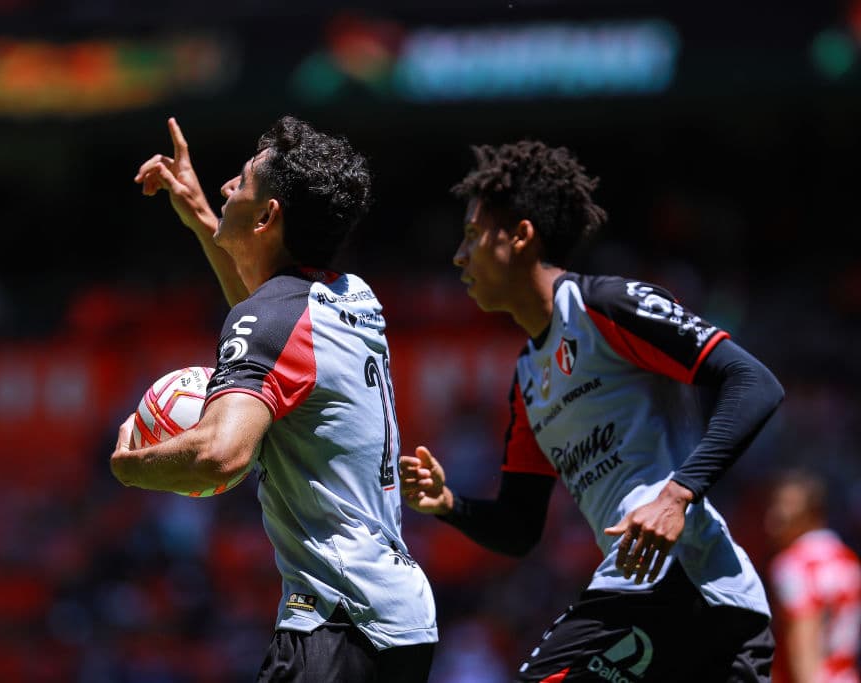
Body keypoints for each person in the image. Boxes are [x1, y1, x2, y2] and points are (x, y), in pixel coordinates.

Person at [400, 140, 785, 681]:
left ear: (521, 234)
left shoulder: (605, 306)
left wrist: (676, 495)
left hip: (682, 586)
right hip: (688, 606)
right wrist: (448, 505)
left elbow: (754, 382)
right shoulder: (529, 379)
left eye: (471, 236)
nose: (459, 256)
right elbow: (519, 527)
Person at [109, 115, 438, 681]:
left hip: (338, 620)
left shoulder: (275, 317)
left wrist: (130, 468)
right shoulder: (351, 297)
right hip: (401, 617)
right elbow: (273, 331)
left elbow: (221, 455)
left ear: (267, 217)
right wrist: (203, 221)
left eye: (240, 182)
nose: (225, 188)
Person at [764, 468, 861, 683]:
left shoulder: (795, 564)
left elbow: (803, 647)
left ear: (811, 513)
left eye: (786, 506)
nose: (774, 517)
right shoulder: (848, 559)